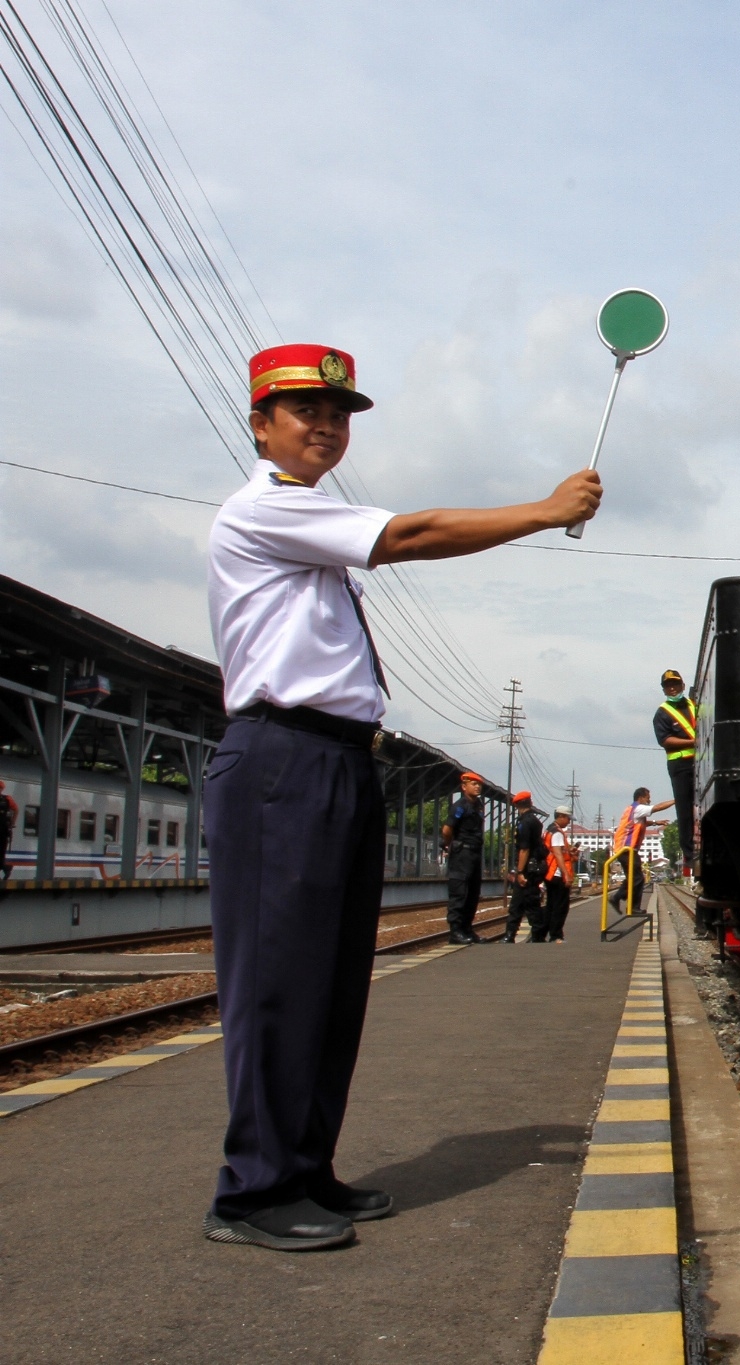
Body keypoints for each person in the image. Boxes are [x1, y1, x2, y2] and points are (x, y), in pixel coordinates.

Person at [201, 342, 601, 1252]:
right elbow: (410, 536)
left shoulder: (310, 527)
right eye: (305, 410)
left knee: (332, 983)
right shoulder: (264, 509)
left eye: (339, 413)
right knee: (276, 984)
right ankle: (251, 1190)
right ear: (261, 424)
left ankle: (304, 1167)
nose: (327, 426)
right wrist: (544, 511)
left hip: (338, 762)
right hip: (280, 760)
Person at [652, 670, 699, 876]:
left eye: (675, 684)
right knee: (684, 806)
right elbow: (665, 741)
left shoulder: (693, 704)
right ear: (664, 689)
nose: (672, 688)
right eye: (668, 685)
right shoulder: (662, 713)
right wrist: (693, 742)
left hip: (701, 760)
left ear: (682, 685)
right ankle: (689, 853)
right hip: (680, 764)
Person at [608, 786, 671, 920]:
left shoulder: (632, 809)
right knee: (637, 878)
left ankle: (620, 898)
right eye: (648, 797)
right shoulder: (639, 808)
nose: (649, 800)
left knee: (634, 877)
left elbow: (641, 822)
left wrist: (655, 822)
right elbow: (657, 807)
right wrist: (676, 800)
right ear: (641, 797)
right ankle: (626, 903)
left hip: (625, 850)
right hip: (626, 849)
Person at [441, 772, 486, 945]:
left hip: (475, 853)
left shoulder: (478, 805)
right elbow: (447, 830)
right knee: (459, 892)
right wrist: (450, 845)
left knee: (473, 893)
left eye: (478, 784)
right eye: (473, 784)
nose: (477, 786)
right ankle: (456, 931)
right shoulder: (460, 806)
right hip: (462, 853)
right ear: (464, 786)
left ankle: (467, 929)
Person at [503, 791, 546, 942]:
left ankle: (515, 935)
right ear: (530, 803)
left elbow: (524, 849)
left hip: (527, 868)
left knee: (525, 903)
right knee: (525, 902)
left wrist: (519, 871)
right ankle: (531, 934)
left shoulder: (525, 823)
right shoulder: (534, 821)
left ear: (516, 805)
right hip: (534, 867)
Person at [538, 804, 576, 941]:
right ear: (560, 816)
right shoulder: (558, 833)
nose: (569, 821)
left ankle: (541, 934)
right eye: (568, 818)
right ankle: (556, 935)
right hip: (557, 873)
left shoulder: (549, 830)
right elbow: (558, 854)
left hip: (550, 873)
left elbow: (559, 852)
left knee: (551, 905)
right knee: (560, 906)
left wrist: (570, 852)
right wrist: (566, 874)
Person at [0, 779, 15, 881]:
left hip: (3, 831)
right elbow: (16, 809)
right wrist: (12, 823)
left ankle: (6, 868)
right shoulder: (7, 799)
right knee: (1, 852)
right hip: (4, 831)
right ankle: (6, 868)